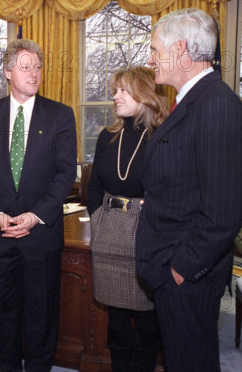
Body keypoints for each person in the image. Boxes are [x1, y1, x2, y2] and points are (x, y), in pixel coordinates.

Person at [136, 8, 242, 372]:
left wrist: (180, 270)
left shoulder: (215, 105)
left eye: (155, 50)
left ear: (180, 49)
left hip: (188, 275)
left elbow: (225, 211)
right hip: (174, 268)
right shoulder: (192, 100)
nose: (150, 58)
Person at [0, 39, 77, 372]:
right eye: (26, 66)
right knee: (2, 313)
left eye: (38, 66)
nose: (34, 73)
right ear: (7, 72)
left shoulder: (60, 115)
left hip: (41, 237)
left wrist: (35, 215)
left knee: (42, 315)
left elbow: (64, 173)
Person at [87, 66, 168, 372]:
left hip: (145, 235)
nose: (115, 96)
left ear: (144, 94)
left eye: (122, 90)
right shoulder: (107, 137)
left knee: (149, 323)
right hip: (109, 233)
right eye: (115, 90)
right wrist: (97, 219)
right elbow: (94, 186)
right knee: (117, 323)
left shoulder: (161, 137)